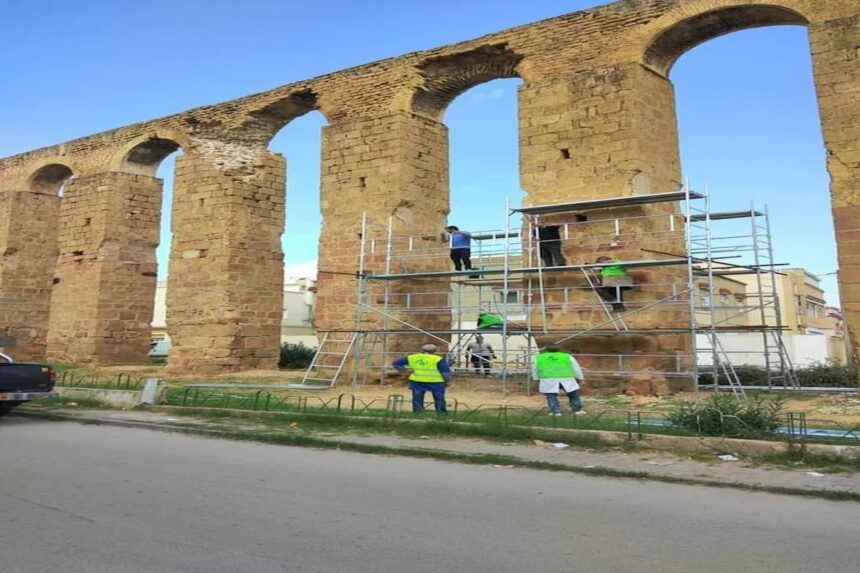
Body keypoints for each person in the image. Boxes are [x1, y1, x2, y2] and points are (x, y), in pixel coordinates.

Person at [392, 344, 451, 413]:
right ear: (435, 351)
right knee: (439, 399)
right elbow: (445, 372)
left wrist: (405, 370)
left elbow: (396, 363)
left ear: (422, 350)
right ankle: (441, 413)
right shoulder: (438, 359)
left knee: (417, 399)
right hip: (436, 382)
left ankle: (418, 413)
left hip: (417, 381)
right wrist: (447, 380)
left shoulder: (413, 357)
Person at [532, 345, 585, 416]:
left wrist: (536, 378)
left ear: (546, 349)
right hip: (566, 378)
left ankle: (555, 411)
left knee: (551, 395)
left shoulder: (540, 357)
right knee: (573, 394)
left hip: (548, 379)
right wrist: (580, 377)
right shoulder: (567, 356)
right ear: (559, 349)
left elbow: (535, 368)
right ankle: (577, 410)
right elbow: (576, 367)